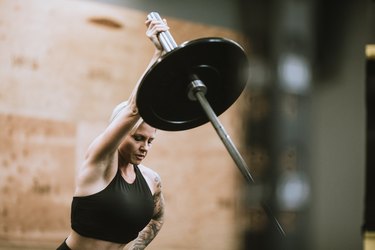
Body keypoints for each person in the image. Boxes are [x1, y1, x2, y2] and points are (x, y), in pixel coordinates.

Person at [57, 18, 169, 250]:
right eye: (137, 138)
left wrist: (137, 247)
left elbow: (157, 217)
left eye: (150, 140)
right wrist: (157, 55)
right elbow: (133, 110)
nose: (145, 147)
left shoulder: (151, 180)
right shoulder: (99, 163)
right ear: (119, 133)